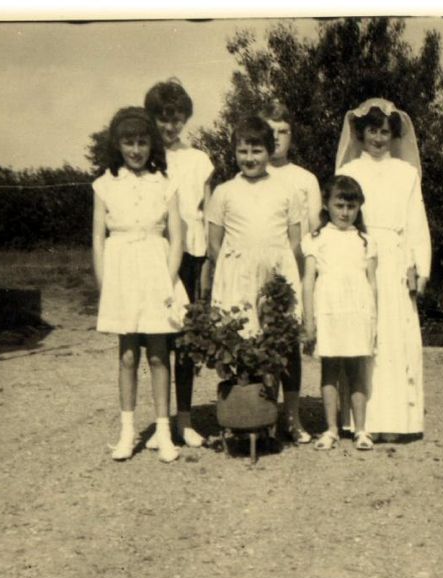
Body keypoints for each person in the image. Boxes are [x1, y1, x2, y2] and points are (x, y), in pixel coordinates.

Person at [91, 106, 187, 463]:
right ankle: (128, 432)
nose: (136, 150)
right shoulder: (104, 185)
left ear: (152, 145)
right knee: (128, 354)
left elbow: (176, 237)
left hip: (156, 271)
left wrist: (169, 280)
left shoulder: (165, 182)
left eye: (142, 142)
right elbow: (98, 240)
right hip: (121, 274)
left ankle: (163, 432)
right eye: (128, 143)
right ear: (117, 145)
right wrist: (105, 286)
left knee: (160, 354)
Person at [335, 98, 431, 439]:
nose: (378, 138)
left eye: (385, 132)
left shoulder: (406, 174)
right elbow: (339, 218)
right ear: (361, 133)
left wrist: (418, 266)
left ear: (394, 136)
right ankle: (364, 422)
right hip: (358, 258)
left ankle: (396, 422)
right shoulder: (349, 172)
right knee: (364, 337)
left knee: (395, 339)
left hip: (394, 260)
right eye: (373, 130)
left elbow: (416, 223)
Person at [205, 116, 305, 435]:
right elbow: (214, 244)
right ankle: (247, 415)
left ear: (270, 151)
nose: (249, 158)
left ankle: (290, 416)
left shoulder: (287, 190)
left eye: (257, 151)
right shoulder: (224, 192)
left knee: (284, 342)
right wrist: (233, 274)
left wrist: (282, 275)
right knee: (241, 339)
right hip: (238, 279)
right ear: (234, 152)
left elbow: (295, 241)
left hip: (276, 278)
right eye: (243, 151)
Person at [143, 78, 214, 450]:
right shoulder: (146, 160)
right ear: (152, 118)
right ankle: (162, 424)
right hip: (157, 254)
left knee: (187, 341)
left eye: (178, 119)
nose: (171, 127)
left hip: (191, 254)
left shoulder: (199, 159)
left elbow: (206, 211)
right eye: (163, 119)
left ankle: (185, 421)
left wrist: (204, 262)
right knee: (158, 341)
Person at [259, 101, 323, 444]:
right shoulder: (252, 173)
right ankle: (264, 415)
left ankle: (293, 415)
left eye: (284, 132)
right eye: (270, 132)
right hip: (257, 268)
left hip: (293, 266)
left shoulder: (305, 180)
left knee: (289, 346)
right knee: (260, 340)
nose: (277, 138)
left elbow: (311, 232)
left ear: (292, 136)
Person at [301, 176, 378, 451]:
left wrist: (374, 319)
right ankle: (331, 428)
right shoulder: (315, 239)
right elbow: (308, 281)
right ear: (327, 205)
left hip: (357, 311)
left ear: (359, 208)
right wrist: (308, 319)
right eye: (339, 205)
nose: (345, 212)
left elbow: (372, 283)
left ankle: (360, 430)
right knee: (330, 370)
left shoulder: (365, 240)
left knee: (357, 371)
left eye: (351, 206)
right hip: (329, 311)